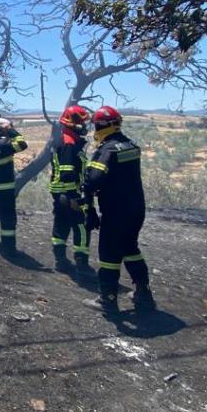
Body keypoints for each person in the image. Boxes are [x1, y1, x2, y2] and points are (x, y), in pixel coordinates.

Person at [83, 105, 156, 316]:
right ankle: (143, 293)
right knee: (130, 248)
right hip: (135, 210)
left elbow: (93, 180)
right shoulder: (131, 146)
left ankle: (108, 299)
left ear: (102, 126)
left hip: (115, 211)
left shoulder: (107, 150)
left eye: (96, 125)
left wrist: (88, 204)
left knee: (108, 254)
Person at [48, 105, 93, 276]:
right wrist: (73, 196)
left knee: (61, 226)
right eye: (82, 123)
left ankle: (61, 261)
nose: (85, 126)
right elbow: (67, 172)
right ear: (72, 123)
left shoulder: (63, 139)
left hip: (60, 193)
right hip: (69, 193)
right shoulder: (68, 142)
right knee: (81, 226)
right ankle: (82, 265)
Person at [0, 117, 28, 256]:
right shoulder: (5, 144)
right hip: (5, 188)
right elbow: (22, 144)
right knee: (8, 218)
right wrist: (11, 130)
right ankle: (8, 249)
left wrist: (5, 129)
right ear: (2, 128)